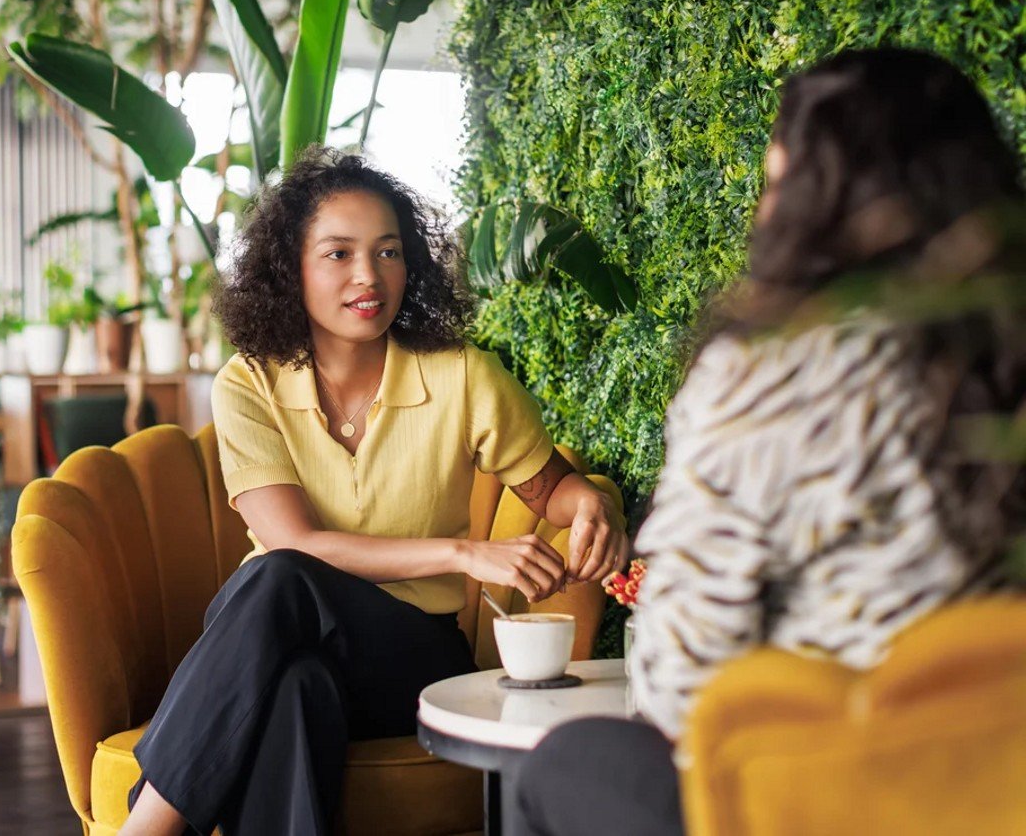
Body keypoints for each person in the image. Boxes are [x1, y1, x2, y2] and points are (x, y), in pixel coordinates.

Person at [511, 47, 1026, 836]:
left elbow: (680, 689)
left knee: (567, 763)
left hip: (829, 800)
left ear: (803, 196)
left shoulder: (767, 378)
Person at [119, 146, 629, 836]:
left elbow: (551, 490)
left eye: (388, 253)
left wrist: (590, 503)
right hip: (278, 644)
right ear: (288, 269)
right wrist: (464, 553)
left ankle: (145, 827)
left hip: (410, 659)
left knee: (276, 581)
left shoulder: (463, 374)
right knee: (297, 688)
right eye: (338, 254)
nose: (369, 276)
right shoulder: (248, 384)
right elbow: (293, 540)